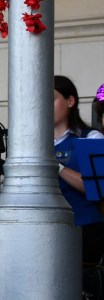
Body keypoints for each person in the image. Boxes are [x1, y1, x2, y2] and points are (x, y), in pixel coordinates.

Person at [54, 75, 104, 264]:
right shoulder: (34, 145)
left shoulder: (91, 137)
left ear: (70, 101)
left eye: (51, 99)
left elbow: (95, 188)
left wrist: (56, 167)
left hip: (85, 227)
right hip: (47, 229)